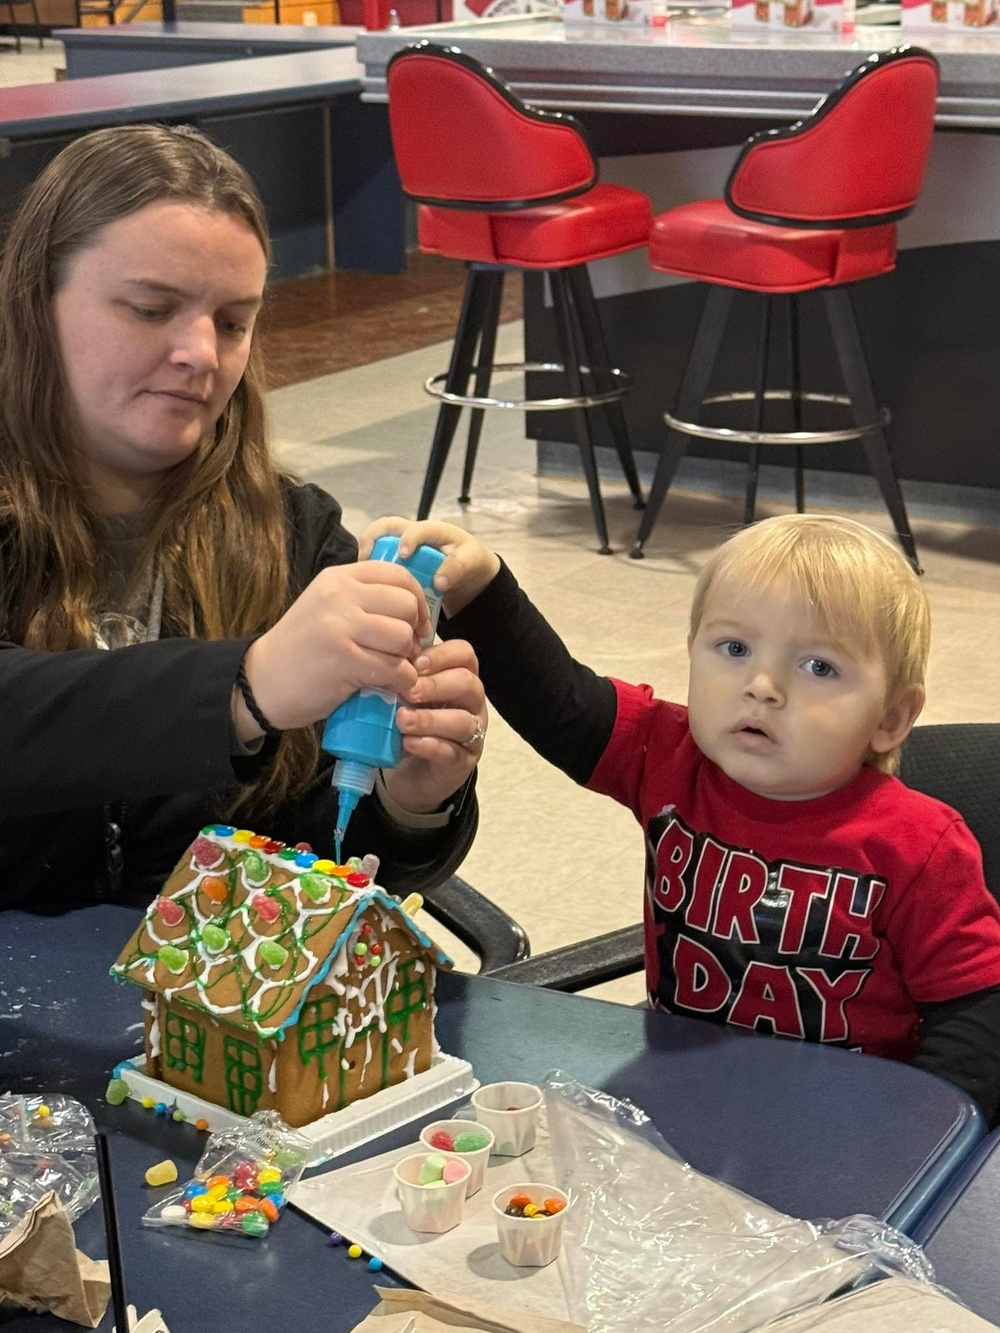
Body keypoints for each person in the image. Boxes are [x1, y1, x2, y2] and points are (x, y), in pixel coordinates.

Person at [364, 511, 1000, 1120]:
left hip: (848, 1124)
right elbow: (560, 702)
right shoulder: (669, 757)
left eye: (818, 666)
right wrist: (479, 592)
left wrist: (918, 1138)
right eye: (733, 647)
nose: (763, 685)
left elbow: (976, 1016)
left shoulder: (921, 846)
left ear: (890, 718)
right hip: (678, 1099)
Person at [0, 124, 486, 914]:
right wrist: (242, 689)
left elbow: (311, 866)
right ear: (33, 304)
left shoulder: (293, 536)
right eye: (151, 308)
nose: (200, 352)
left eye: (232, 322)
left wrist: (409, 801)